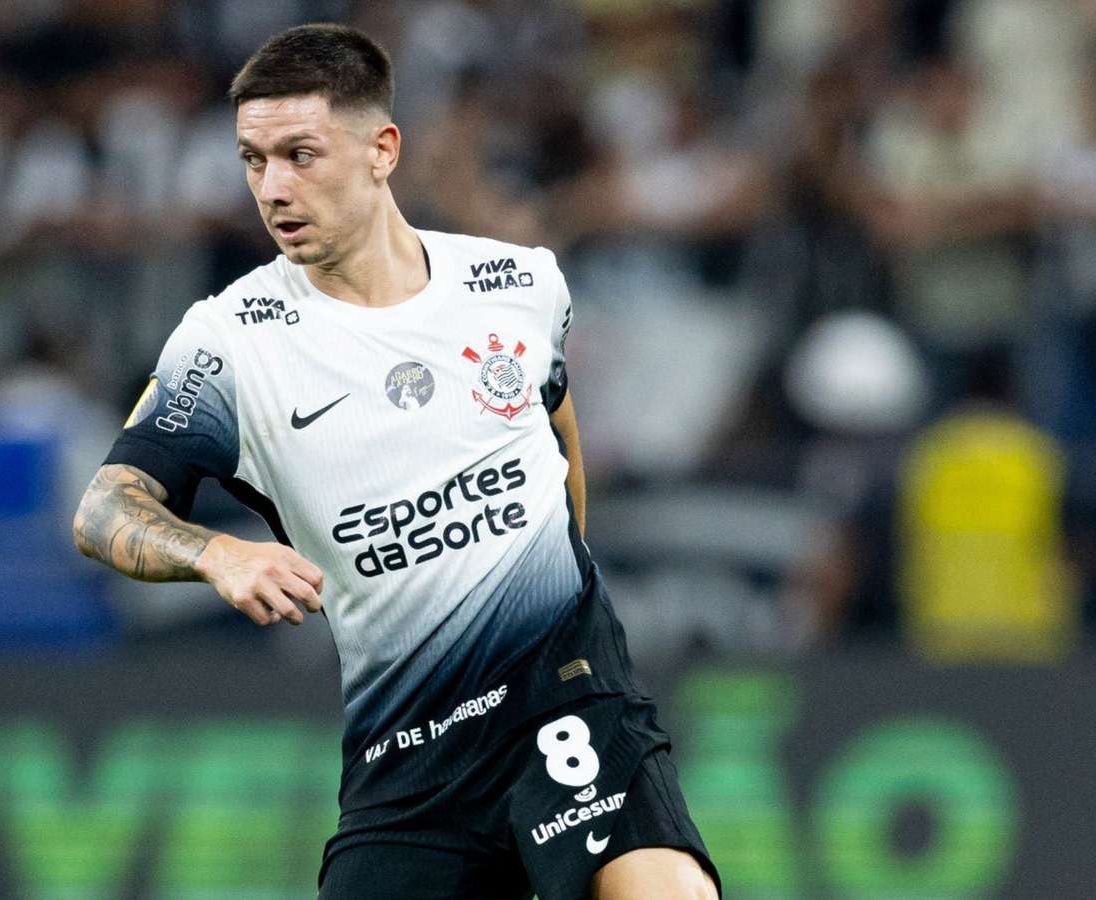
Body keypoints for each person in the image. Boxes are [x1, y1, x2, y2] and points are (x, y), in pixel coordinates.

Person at [73, 23, 720, 900]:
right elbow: (104, 510)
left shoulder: (518, 283)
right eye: (254, 161)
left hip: (566, 707)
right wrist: (216, 553)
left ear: (382, 150)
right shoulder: (229, 342)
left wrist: (556, 595)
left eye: (301, 155)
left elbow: (555, 423)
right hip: (410, 762)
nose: (273, 187)